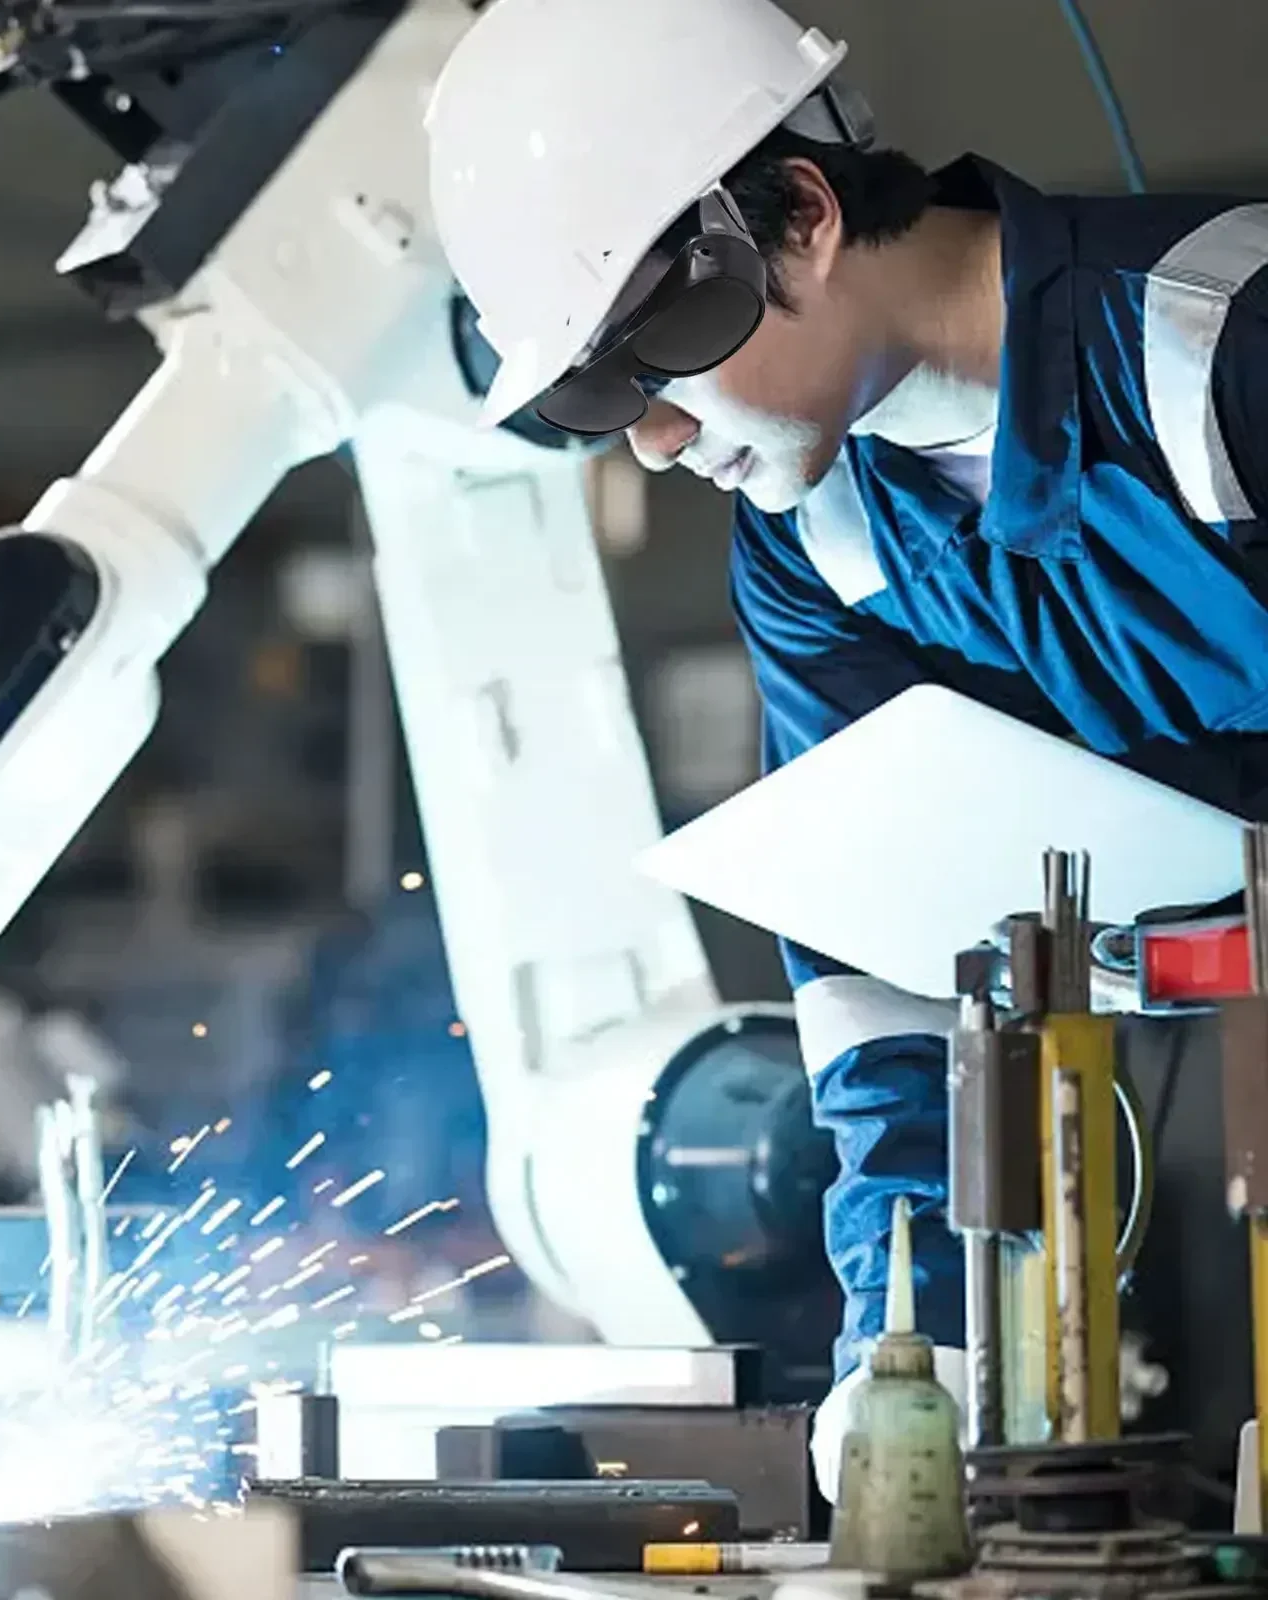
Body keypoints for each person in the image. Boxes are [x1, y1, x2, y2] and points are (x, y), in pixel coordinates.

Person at [423, 0, 1268, 1498]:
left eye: (643, 363)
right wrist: (911, 1341)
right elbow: (885, 957)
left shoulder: (1221, 357)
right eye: (598, 403)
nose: (658, 446)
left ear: (798, 219)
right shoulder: (823, 547)